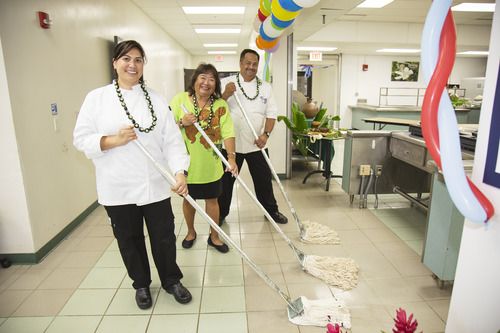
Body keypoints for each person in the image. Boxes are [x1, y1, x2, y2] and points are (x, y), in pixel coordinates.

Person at [73, 40, 192, 310]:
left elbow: (172, 141)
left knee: (164, 236)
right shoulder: (97, 98)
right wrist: (115, 140)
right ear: (115, 63)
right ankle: (141, 284)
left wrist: (179, 172)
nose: (132, 64)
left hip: (155, 183)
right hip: (117, 186)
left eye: (138, 60)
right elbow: (81, 139)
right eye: (126, 59)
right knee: (129, 239)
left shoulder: (156, 98)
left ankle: (171, 280)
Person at [170, 63, 238, 254]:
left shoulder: (220, 105)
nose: (206, 83)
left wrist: (231, 158)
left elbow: (228, 133)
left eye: (211, 79)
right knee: (188, 200)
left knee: (212, 200)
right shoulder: (179, 100)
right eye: (203, 77)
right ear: (195, 80)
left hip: (211, 164)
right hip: (187, 164)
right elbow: (165, 130)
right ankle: (191, 233)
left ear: (215, 84)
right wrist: (181, 122)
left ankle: (214, 236)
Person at [218, 49, 288, 225]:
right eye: (247, 63)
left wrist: (266, 135)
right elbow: (214, 108)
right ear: (240, 63)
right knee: (226, 183)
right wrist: (225, 94)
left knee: (264, 181)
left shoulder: (265, 87)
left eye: (254, 64)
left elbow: (271, 114)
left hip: (257, 144)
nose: (251, 67)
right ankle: (220, 213)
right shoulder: (226, 82)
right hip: (231, 145)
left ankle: (271, 211)